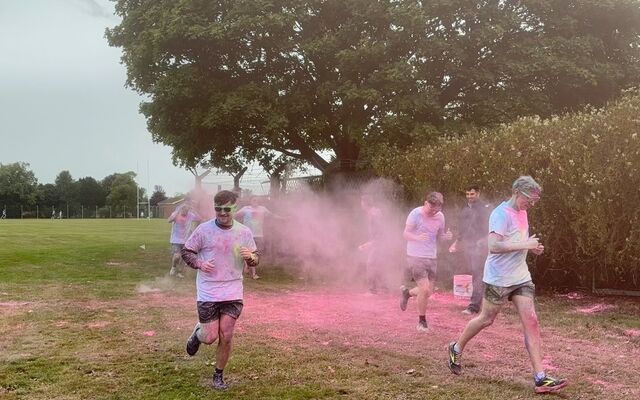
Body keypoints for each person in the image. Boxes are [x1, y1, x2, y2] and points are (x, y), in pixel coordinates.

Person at [447, 176, 568, 394]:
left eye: (534, 201)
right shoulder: (500, 214)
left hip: (520, 277)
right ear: (516, 193)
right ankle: (456, 347)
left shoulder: (523, 211)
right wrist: (525, 244)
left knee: (531, 321)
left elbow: (517, 240)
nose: (531, 204)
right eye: (529, 199)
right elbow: (493, 246)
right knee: (485, 319)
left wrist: (531, 247)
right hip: (498, 279)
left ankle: (540, 378)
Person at [180, 190, 258, 390]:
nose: (222, 213)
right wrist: (199, 263)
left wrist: (251, 257)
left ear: (235, 208)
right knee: (210, 336)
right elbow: (187, 251)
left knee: (227, 334)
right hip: (208, 292)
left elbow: (255, 259)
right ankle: (198, 335)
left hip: (233, 291)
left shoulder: (244, 232)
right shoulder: (204, 230)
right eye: (218, 209)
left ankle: (218, 375)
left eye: (227, 209)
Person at [400, 191, 453, 331]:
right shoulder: (415, 214)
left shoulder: (440, 217)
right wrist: (417, 238)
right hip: (415, 256)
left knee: (428, 292)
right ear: (426, 203)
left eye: (437, 210)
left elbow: (440, 236)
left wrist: (446, 237)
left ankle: (407, 293)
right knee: (424, 289)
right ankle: (422, 322)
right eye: (431, 208)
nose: (433, 212)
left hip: (431, 256)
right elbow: (405, 234)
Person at [449, 185, 491, 315]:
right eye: (467, 194)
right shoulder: (465, 209)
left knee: (478, 274)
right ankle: (484, 302)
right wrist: (456, 243)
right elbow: (463, 229)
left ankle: (474, 306)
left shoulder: (484, 209)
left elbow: (490, 228)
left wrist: (483, 240)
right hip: (469, 246)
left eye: (472, 194)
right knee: (475, 274)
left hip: (481, 247)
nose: (469, 197)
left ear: (478, 193)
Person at [234, 196, 281, 279]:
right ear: (250, 201)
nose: (255, 201)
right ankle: (253, 274)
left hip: (259, 235)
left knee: (256, 254)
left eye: (257, 200)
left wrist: (283, 218)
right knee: (250, 253)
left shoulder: (262, 209)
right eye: (254, 200)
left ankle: (247, 266)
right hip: (247, 235)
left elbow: (272, 215)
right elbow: (235, 215)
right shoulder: (245, 209)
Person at [358, 195, 387, 294]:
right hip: (379, 242)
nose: (361, 204)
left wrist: (371, 243)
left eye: (361, 202)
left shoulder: (374, 214)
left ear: (364, 203)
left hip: (380, 243)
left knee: (371, 264)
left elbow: (381, 232)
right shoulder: (374, 212)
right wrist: (369, 243)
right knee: (378, 264)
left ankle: (372, 290)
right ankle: (383, 288)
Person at [168, 199, 201, 278]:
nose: (185, 213)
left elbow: (199, 218)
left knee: (183, 257)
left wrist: (194, 209)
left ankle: (179, 272)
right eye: (183, 210)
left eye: (187, 210)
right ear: (181, 209)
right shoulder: (176, 214)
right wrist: (176, 213)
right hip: (175, 239)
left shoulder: (190, 215)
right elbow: (169, 220)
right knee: (177, 256)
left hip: (186, 239)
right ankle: (173, 267)